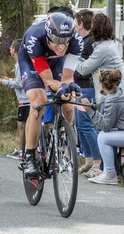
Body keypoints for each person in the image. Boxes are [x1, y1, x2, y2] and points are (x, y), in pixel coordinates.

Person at [18, 11, 84, 178]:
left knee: (68, 105)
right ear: (48, 36)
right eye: (57, 41)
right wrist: (59, 86)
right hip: (32, 62)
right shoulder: (34, 37)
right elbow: (47, 81)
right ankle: (30, 156)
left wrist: (70, 86)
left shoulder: (76, 41)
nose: (62, 46)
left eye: (65, 41)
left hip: (55, 62)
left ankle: (60, 143)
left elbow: (68, 77)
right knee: (39, 102)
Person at [78, 69, 124, 185]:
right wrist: (92, 109)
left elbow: (106, 127)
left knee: (102, 137)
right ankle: (108, 172)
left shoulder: (113, 100)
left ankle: (110, 174)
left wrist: (90, 112)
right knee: (104, 136)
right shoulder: (118, 93)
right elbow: (110, 123)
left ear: (102, 84)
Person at [75, 13, 124, 104]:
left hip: (115, 93)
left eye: (92, 25)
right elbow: (87, 64)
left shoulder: (103, 49)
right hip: (115, 91)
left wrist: (71, 56)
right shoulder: (106, 45)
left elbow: (84, 69)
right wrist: (77, 57)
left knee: (106, 118)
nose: (90, 28)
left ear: (96, 28)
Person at [72, 10, 101, 176]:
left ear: (81, 24)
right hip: (78, 87)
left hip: (87, 87)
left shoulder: (90, 42)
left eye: (75, 23)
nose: (74, 26)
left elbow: (93, 65)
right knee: (79, 125)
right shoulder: (81, 41)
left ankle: (97, 162)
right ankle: (88, 159)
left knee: (86, 124)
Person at [0, 39, 29, 160]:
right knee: (23, 125)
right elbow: (18, 81)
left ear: (14, 50)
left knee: (22, 125)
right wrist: (9, 80)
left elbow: (20, 83)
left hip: (26, 100)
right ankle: (23, 150)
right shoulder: (21, 63)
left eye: (10, 48)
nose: (9, 50)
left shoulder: (20, 64)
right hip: (25, 99)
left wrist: (3, 82)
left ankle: (22, 151)